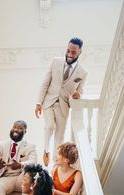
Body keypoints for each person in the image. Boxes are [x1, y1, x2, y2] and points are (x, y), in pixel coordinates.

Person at [35, 37, 87, 166]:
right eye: (68, 50)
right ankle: (46, 150)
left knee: (60, 137)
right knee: (49, 126)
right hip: (48, 101)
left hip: (63, 106)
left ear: (80, 51)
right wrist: (38, 103)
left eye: (73, 52)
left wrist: (77, 94)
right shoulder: (55, 62)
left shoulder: (83, 72)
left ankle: (56, 163)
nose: (69, 54)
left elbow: (80, 91)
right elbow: (45, 83)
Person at [0, 120, 37, 195]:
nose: (16, 130)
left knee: (30, 178)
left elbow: (33, 162)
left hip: (22, 177)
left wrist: (20, 165)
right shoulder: (2, 145)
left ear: (25, 131)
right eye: (14, 127)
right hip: (7, 177)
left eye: (20, 128)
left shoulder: (30, 146)